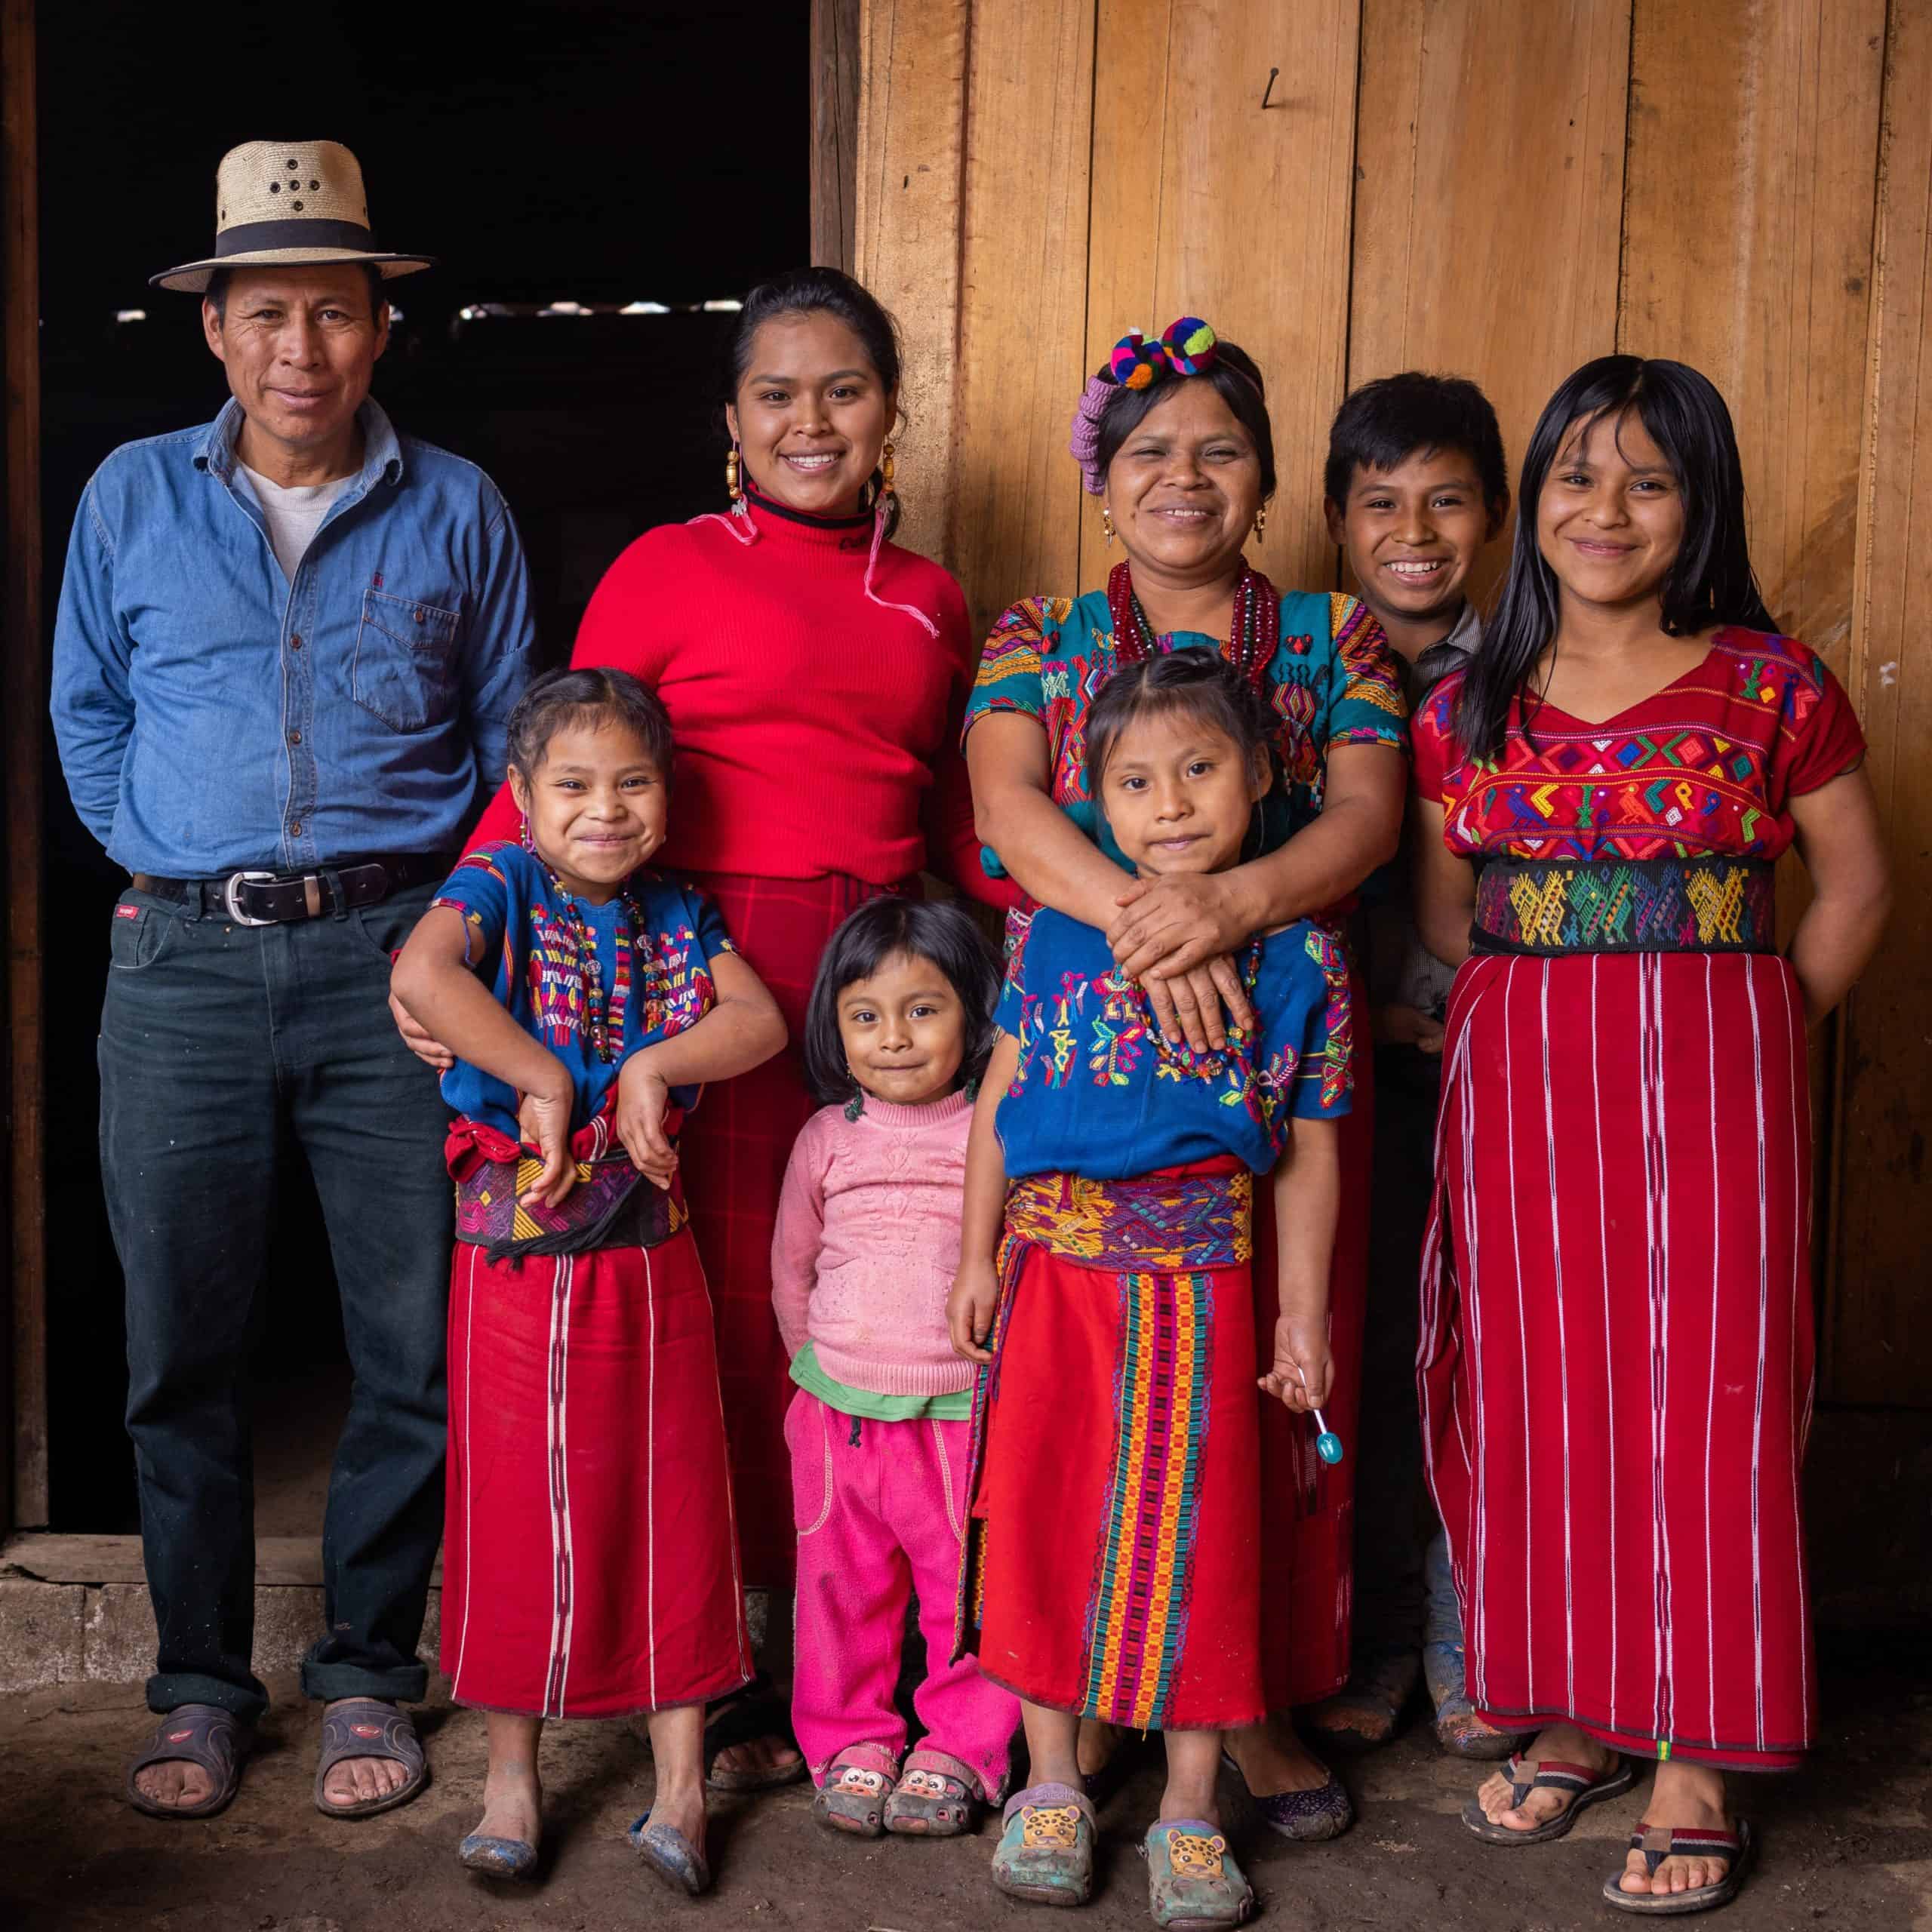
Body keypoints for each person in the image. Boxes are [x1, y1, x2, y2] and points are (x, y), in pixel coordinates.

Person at [400, 266, 1013, 1786]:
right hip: (699, 980)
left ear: (889, 411)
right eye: (777, 394)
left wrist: (1049, 969)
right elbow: (561, 757)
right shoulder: (670, 565)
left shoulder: (932, 597)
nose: (812, 422)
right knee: (730, 1315)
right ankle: (734, 1648)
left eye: (844, 391)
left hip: (865, 990)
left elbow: (951, 817)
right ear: (731, 418)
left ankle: (861, 1649)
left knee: (868, 1294)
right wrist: (458, 940)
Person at [49, 140, 534, 1821]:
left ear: (378, 325)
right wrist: (175, 865)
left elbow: (508, 748)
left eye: (332, 313)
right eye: (267, 314)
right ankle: (196, 1683)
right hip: (178, 960)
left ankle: (367, 1676)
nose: (299, 350)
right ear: (215, 329)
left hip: (395, 960)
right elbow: (88, 715)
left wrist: (436, 923)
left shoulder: (457, 505)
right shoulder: (129, 495)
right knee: (180, 1342)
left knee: (410, 1338)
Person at [1410, 355, 1890, 1915]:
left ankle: (1694, 1748)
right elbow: (1445, 904)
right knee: (1541, 1392)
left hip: (1710, 1078)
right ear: (1531, 493)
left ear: (1697, 509)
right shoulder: (1464, 702)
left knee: (1702, 1404)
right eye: (1573, 473)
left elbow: (1856, 885)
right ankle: (1576, 1705)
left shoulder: (1768, 683)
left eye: (1645, 479)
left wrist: (1751, 1033)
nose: (1599, 508)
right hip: (1520, 1079)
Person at [964, 318, 1407, 1832]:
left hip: (1274, 1060)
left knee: (1266, 1390)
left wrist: (1235, 906)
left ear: (1265, 482)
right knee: (1078, 1410)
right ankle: (1079, 1694)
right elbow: (1009, 807)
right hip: (1093, 1044)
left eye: (1218, 448)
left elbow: (1361, 815)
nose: (1182, 475)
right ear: (1101, 485)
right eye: (1147, 451)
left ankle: (1256, 1695)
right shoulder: (1033, 635)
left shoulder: (1329, 638)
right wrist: (1161, 926)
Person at [949, 650, 1352, 1926]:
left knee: (1205, 1537)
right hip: (1057, 1272)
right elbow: (999, 1102)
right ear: (1091, 797)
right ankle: (1052, 1781)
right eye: (1135, 780)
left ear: (1264, 777)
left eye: (1199, 771)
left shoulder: (1302, 963)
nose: (1170, 803)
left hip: (1204, 1288)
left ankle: (1189, 1802)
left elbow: (1310, 1146)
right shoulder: (1055, 929)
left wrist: (1297, 1317)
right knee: (1042, 1517)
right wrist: (972, 1257)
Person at [392, 667, 786, 1893]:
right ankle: (513, 1776)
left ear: (666, 799)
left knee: (671, 1507)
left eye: (632, 783)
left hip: (651, 1258)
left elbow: (760, 1021)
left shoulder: (680, 914)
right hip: (513, 1263)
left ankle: (679, 1788)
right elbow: (423, 978)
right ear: (520, 796)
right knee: (515, 1508)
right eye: (572, 785)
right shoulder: (497, 888)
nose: (603, 809)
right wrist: (547, 1082)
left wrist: (658, 1064)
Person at [1306, 371, 1522, 1758]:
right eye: (1380, 502)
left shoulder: (1529, 676)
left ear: (1498, 514)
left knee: (1497, 1352)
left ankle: (1479, 1632)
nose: (1415, 531)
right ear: (1332, 519)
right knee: (1369, 1348)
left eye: (1448, 499)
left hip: (1497, 1065)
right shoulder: (1303, 666)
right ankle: (1379, 1627)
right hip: (1336, 1080)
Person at [772, 899, 1020, 1838]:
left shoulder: (992, 1134)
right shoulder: (826, 1138)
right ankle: (852, 1741)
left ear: (975, 1012)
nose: (894, 1038)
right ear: (836, 1028)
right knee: (840, 1589)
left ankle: (961, 1744)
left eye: (924, 1009)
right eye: (865, 1016)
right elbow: (790, 1268)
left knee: (964, 1587)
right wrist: (815, 1372)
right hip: (838, 1414)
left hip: (959, 1411)